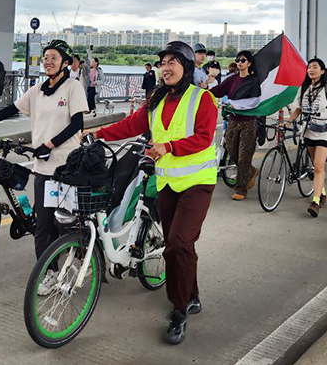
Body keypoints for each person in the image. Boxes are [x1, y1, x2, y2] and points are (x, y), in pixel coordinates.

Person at [89, 41, 217, 345]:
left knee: (178, 243)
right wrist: (97, 133)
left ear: (187, 67)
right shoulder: (157, 99)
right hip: (167, 183)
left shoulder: (203, 99)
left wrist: (170, 147)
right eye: (163, 62)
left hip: (198, 182)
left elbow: (204, 137)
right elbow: (132, 124)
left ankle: (179, 309)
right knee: (180, 246)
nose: (167, 67)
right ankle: (193, 294)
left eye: (174, 62)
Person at [0, 39, 88, 288]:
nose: (48, 61)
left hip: (66, 168)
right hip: (43, 168)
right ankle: (49, 273)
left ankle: (77, 263)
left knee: (65, 223)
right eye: (45, 57)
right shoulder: (38, 89)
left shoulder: (73, 87)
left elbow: (77, 124)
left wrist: (49, 145)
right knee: (42, 225)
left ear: (64, 62)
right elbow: (10, 110)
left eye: (54, 57)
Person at [283, 58, 327, 217]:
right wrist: (288, 123)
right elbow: (298, 110)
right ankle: (321, 191)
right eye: (309, 67)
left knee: (318, 165)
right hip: (308, 131)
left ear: (322, 71)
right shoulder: (304, 89)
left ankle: (315, 201)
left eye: (315, 67)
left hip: (324, 131)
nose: (311, 70)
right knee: (317, 167)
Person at [211, 50, 260, 200]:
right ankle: (251, 171)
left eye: (243, 60)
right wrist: (205, 90)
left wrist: (236, 105)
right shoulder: (232, 79)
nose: (239, 62)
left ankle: (241, 189)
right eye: (238, 60)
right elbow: (218, 91)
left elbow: (255, 101)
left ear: (249, 63)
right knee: (232, 152)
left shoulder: (254, 81)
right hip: (232, 121)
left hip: (248, 123)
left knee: (244, 156)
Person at [86, 50, 104, 117]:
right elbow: (89, 59)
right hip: (89, 86)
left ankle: (92, 109)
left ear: (96, 62)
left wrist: (96, 82)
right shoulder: (90, 69)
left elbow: (103, 79)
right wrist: (89, 53)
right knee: (90, 98)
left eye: (93, 61)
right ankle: (93, 110)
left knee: (90, 97)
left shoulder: (99, 70)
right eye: (91, 61)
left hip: (95, 87)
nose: (91, 62)